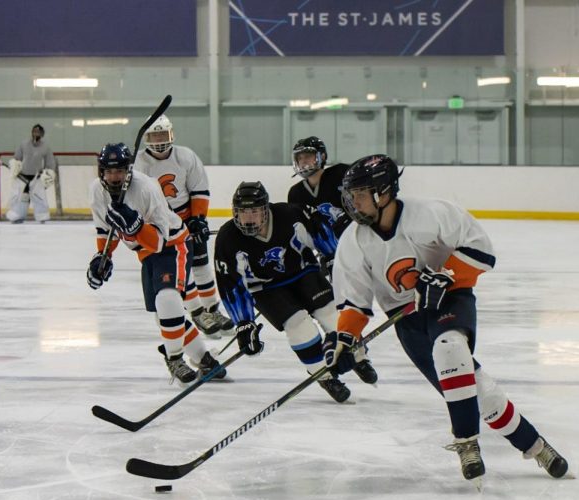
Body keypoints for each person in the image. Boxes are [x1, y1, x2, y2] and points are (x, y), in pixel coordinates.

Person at [324, 154, 568, 489]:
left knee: (450, 348)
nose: (353, 203)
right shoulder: (353, 241)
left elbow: (482, 250)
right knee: (479, 392)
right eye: (350, 196)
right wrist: (345, 338)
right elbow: (355, 300)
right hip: (407, 320)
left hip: (450, 299)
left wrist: (445, 276)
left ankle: (466, 443)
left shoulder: (430, 213)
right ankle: (536, 446)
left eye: (360, 195)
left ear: (383, 192)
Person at [213, 181, 378, 403]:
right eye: (243, 213)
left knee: (331, 314)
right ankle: (323, 374)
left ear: (265, 210)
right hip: (266, 289)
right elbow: (230, 285)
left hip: (304, 273)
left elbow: (320, 230)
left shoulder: (290, 214)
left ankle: (359, 357)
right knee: (299, 326)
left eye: (254, 211)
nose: (249, 218)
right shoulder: (227, 237)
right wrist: (244, 322)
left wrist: (331, 256)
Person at [86, 142, 225, 385]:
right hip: (145, 254)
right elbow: (104, 229)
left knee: (167, 298)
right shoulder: (97, 191)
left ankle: (174, 358)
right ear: (101, 172)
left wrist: (136, 225)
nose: (114, 177)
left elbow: (159, 241)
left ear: (128, 170)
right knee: (165, 315)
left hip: (174, 244)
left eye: (119, 171)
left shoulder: (146, 188)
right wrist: (102, 256)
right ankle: (203, 357)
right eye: (109, 172)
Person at [134, 115, 234, 336]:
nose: (160, 140)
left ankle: (212, 309)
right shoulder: (139, 164)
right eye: (155, 135)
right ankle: (197, 311)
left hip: (186, 219)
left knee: (201, 264)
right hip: (159, 224)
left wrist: (198, 219)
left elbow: (199, 189)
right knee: (181, 269)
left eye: (163, 134)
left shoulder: (185, 156)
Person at [287, 136, 351, 277]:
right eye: (300, 157)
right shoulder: (295, 194)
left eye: (308, 156)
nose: (303, 161)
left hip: (355, 242)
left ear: (322, 156)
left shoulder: (341, 174)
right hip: (329, 251)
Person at [5, 124, 57, 224]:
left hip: (37, 177)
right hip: (22, 177)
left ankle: (42, 216)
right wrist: (14, 166)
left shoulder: (46, 147)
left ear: (42, 134)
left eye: (38, 132)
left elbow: (50, 163)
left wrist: (49, 173)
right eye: (34, 131)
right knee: (20, 197)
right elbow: (16, 158)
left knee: (39, 197)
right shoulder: (24, 144)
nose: (35, 134)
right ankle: (17, 215)